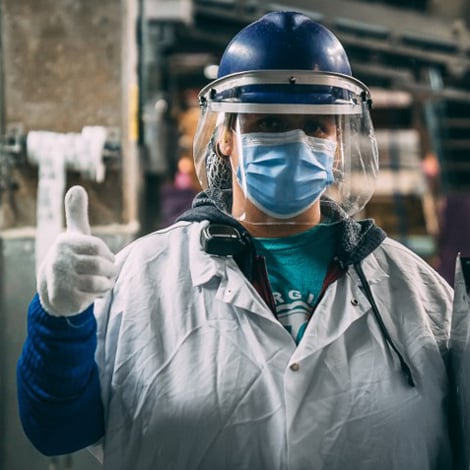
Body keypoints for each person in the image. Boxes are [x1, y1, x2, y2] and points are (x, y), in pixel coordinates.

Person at [17, 11, 458, 470]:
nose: (295, 141)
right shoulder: (143, 276)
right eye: (268, 123)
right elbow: (56, 430)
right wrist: (59, 319)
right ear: (226, 136)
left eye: (316, 127)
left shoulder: (414, 292)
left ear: (340, 143)